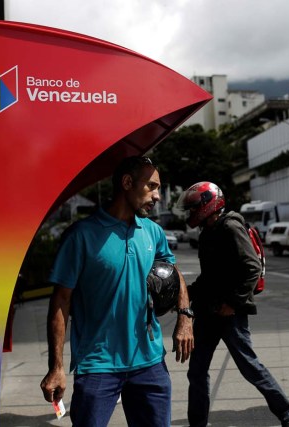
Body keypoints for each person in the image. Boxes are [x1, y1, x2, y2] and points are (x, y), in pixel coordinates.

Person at [39, 156, 194, 427]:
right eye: (152, 186)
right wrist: (56, 367)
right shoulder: (81, 236)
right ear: (126, 183)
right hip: (98, 364)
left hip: (149, 362)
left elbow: (174, 270)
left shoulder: (153, 231)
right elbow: (61, 301)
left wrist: (185, 317)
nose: (158, 196)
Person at [176, 181, 289, 427]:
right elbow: (209, 277)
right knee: (197, 372)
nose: (191, 213)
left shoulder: (230, 226)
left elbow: (252, 267)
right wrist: (184, 294)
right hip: (207, 311)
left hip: (229, 314)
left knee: (250, 368)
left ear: (208, 204)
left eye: (193, 208)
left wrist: (233, 303)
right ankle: (197, 423)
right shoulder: (207, 232)